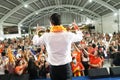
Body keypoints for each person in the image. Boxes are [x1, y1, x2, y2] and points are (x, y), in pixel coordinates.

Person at [32, 13, 83, 80]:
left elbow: (35, 42)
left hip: (53, 69)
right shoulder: (68, 35)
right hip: (66, 68)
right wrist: (76, 28)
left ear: (51, 23)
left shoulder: (46, 36)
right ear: (60, 22)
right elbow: (80, 37)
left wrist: (36, 32)